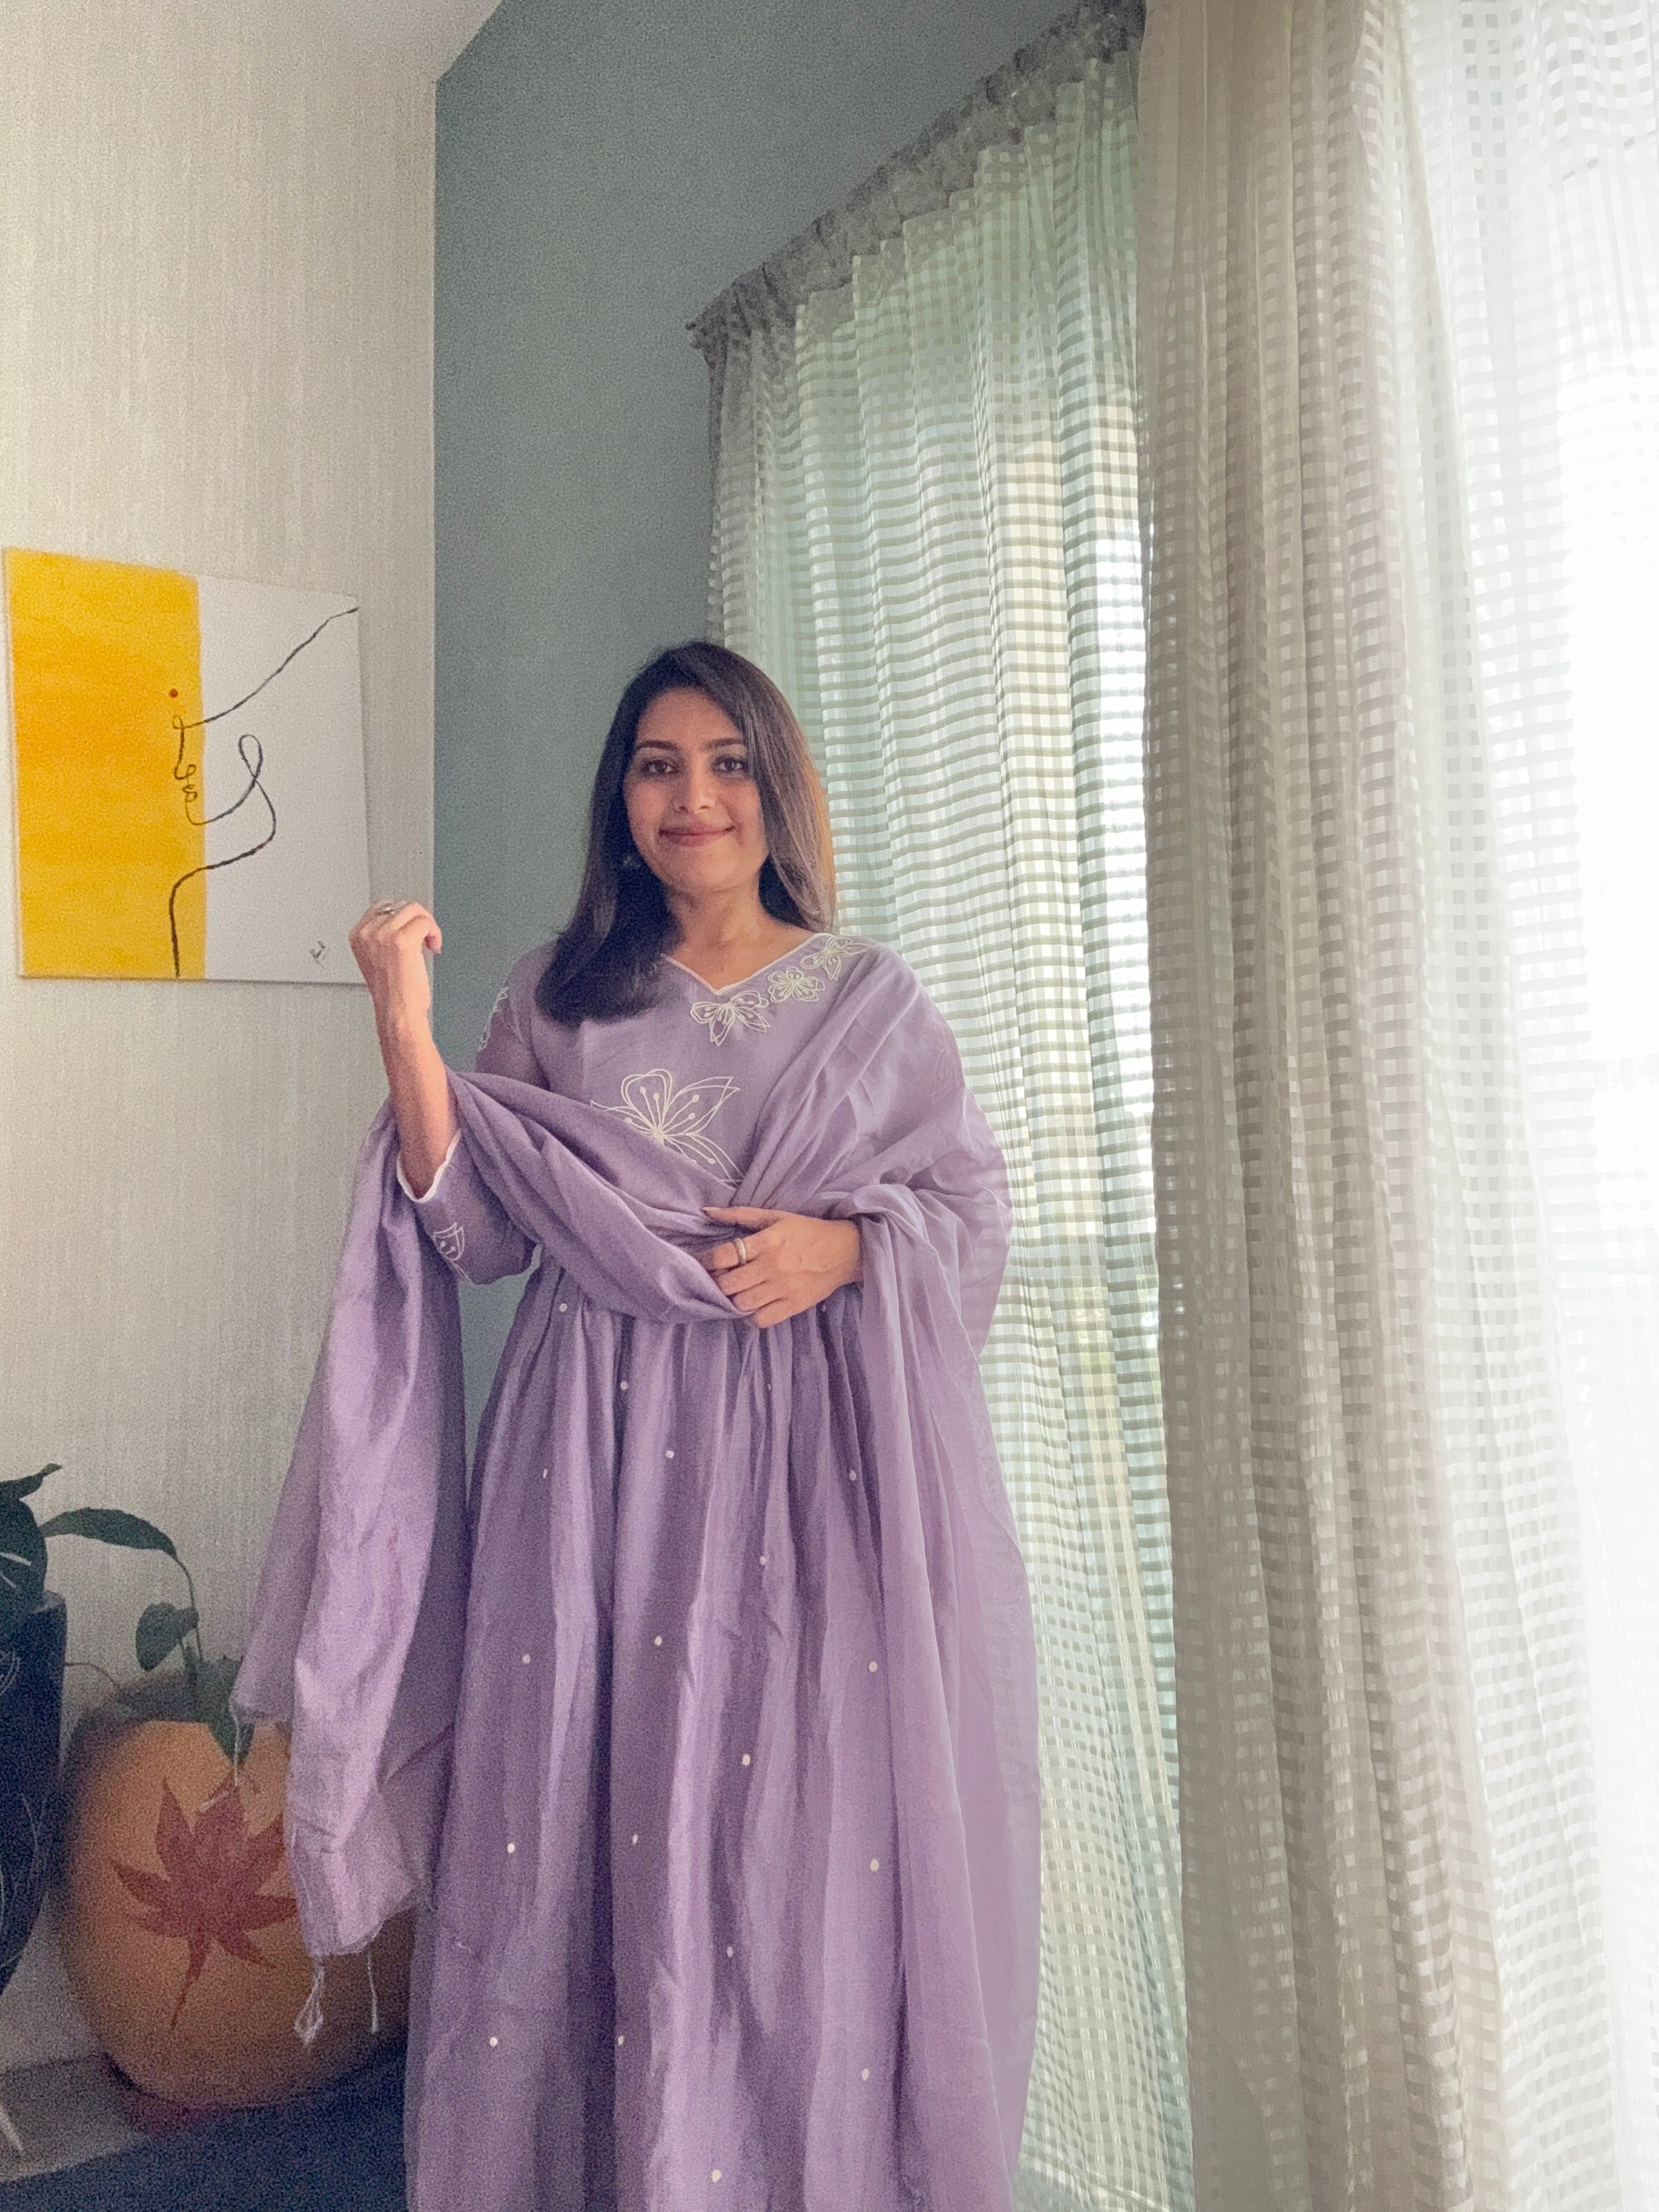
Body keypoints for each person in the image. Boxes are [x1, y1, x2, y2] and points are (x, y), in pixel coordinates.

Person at [235, 642, 1041, 2212]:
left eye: (727, 762)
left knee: (790, 1838)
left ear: (776, 787)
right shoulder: (560, 995)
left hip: (805, 1479)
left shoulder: (869, 1001)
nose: (694, 797)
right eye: (658, 766)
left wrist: (850, 1250)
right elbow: (474, 1232)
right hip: (589, 1468)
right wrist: (404, 1027)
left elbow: (970, 1219)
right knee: (575, 1818)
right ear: (620, 799)